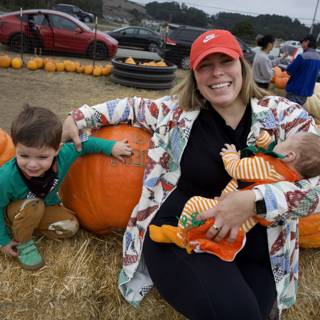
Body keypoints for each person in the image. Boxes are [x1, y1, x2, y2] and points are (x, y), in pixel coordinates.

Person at [62, 29, 320, 319]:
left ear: (242, 65)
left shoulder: (284, 115)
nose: (217, 73)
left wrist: (253, 201)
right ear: (194, 74)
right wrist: (77, 117)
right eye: (206, 66)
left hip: (255, 245)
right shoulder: (176, 113)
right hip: (184, 233)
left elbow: (316, 191)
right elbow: (130, 107)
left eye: (226, 62)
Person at [149, 130, 320, 262]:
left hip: (226, 212)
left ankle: (181, 236)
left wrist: (230, 155)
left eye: (285, 141)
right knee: (210, 229)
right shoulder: (288, 177)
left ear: (289, 156)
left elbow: (237, 169)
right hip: (244, 225)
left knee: (195, 204)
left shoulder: (267, 167)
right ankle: (204, 243)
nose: (280, 142)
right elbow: (271, 150)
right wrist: (267, 142)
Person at [0, 105, 132, 270]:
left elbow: (85, 144)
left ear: (57, 150)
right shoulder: (6, 177)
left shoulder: (64, 155)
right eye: (24, 155)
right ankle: (24, 242)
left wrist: (111, 147)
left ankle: (28, 226)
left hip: (42, 207)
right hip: (15, 210)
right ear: (15, 147)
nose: (32, 164)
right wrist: (3, 241)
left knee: (70, 226)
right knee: (34, 205)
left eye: (42, 157)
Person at [285, 34, 320, 106]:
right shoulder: (318, 57)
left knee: (288, 112)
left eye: (302, 42)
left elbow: (289, 71)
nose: (301, 44)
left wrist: (291, 63)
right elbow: (317, 74)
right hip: (306, 93)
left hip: (295, 91)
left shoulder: (302, 56)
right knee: (297, 112)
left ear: (307, 42)